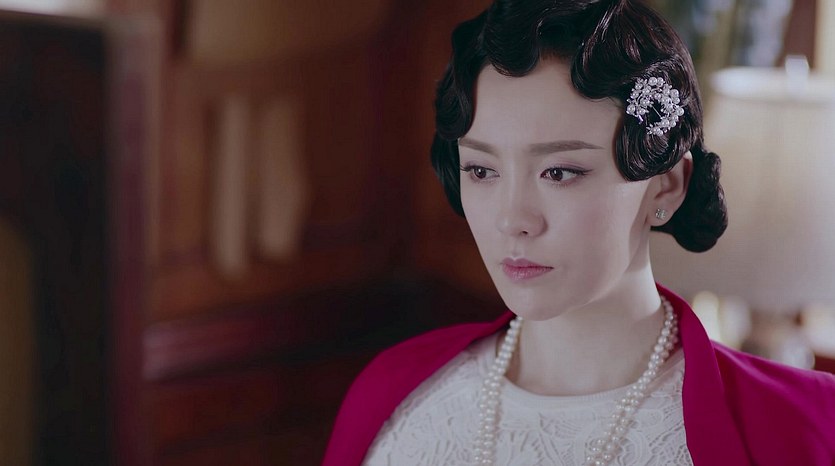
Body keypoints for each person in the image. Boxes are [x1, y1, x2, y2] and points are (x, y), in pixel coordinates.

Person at [322, 0, 835, 465]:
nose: (513, 219)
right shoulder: (397, 398)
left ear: (667, 185)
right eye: (481, 170)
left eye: (560, 172)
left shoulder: (802, 426)